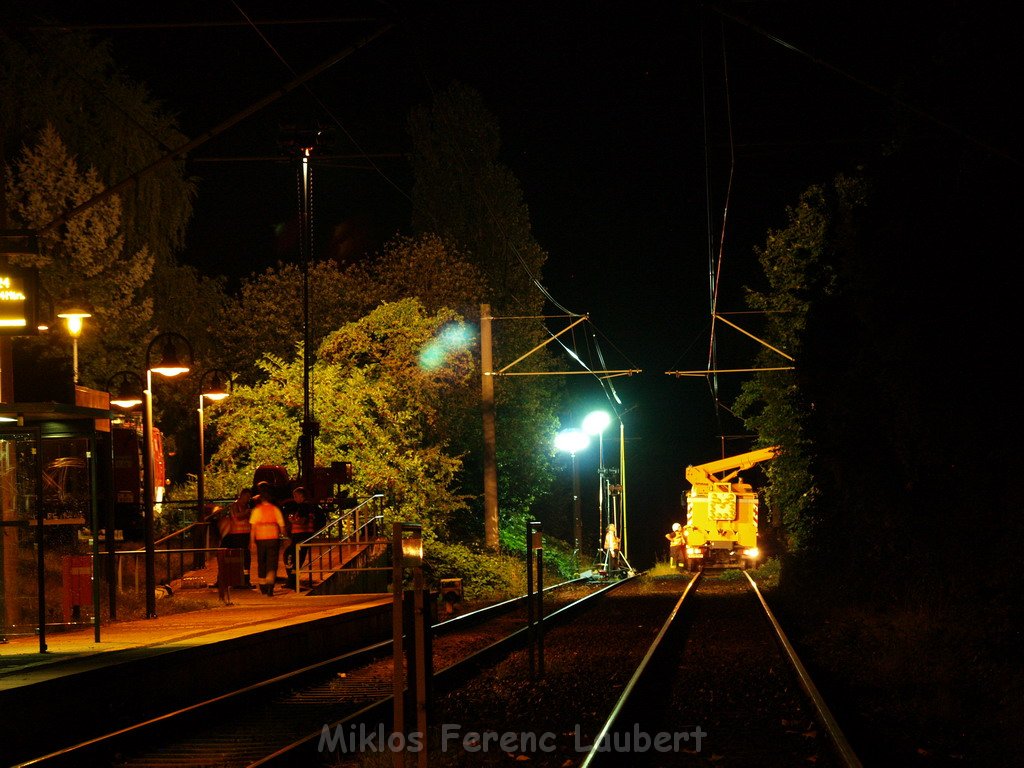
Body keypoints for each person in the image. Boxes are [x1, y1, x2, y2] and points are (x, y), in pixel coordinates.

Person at [249, 492, 287, 596]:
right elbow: (282, 526)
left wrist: (252, 542)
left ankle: (263, 587)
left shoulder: (257, 510)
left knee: (262, 562)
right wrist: (284, 538)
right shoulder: (275, 509)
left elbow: (253, 528)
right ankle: (270, 588)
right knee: (272, 563)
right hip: (273, 539)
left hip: (261, 539)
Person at [220, 487, 253, 587]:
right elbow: (235, 517)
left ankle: (246, 580)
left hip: (245, 535)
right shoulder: (235, 505)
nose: (248, 499)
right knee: (238, 558)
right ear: (242, 495)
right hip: (236, 536)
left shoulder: (247, 506)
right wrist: (246, 513)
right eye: (247, 496)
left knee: (246, 558)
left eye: (249, 497)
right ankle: (237, 580)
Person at [283, 486, 316, 579]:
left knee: (291, 556)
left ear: (301, 496)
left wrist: (292, 521)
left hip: (301, 535)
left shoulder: (304, 506)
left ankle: (292, 579)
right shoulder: (308, 506)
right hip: (303, 535)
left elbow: (302, 521)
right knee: (296, 556)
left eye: (295, 496)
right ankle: (292, 578)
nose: (294, 499)